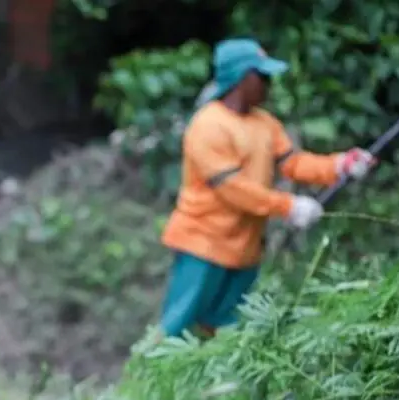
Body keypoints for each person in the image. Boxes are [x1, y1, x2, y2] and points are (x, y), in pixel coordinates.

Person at [159, 38, 375, 339]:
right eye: (262, 76)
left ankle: (212, 386)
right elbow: (232, 189)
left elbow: (293, 163)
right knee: (177, 324)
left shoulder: (265, 123)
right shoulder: (208, 126)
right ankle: (140, 382)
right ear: (243, 78)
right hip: (204, 244)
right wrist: (289, 207)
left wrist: (338, 165)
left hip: (245, 249)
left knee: (225, 330)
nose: (268, 83)